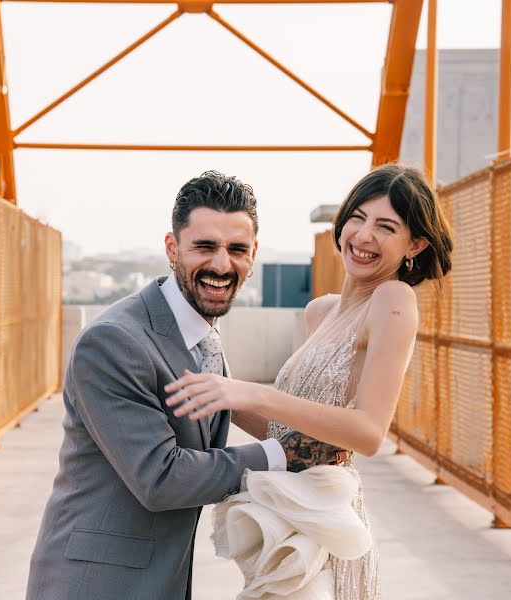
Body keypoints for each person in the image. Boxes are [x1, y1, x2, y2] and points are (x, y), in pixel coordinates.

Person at [26, 171, 347, 600]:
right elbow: (162, 478)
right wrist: (283, 455)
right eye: (204, 247)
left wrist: (326, 434)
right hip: (97, 583)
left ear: (253, 255)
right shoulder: (114, 341)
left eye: (236, 249)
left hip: (157, 578)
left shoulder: (199, 336)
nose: (220, 264)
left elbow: (233, 413)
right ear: (172, 248)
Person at [165, 164, 454, 599]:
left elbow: (368, 433)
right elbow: (292, 434)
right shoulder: (321, 311)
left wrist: (255, 392)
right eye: (357, 217)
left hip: (327, 525)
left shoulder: (394, 300)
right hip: (287, 514)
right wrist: (211, 390)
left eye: (386, 227)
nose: (363, 236)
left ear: (415, 244)